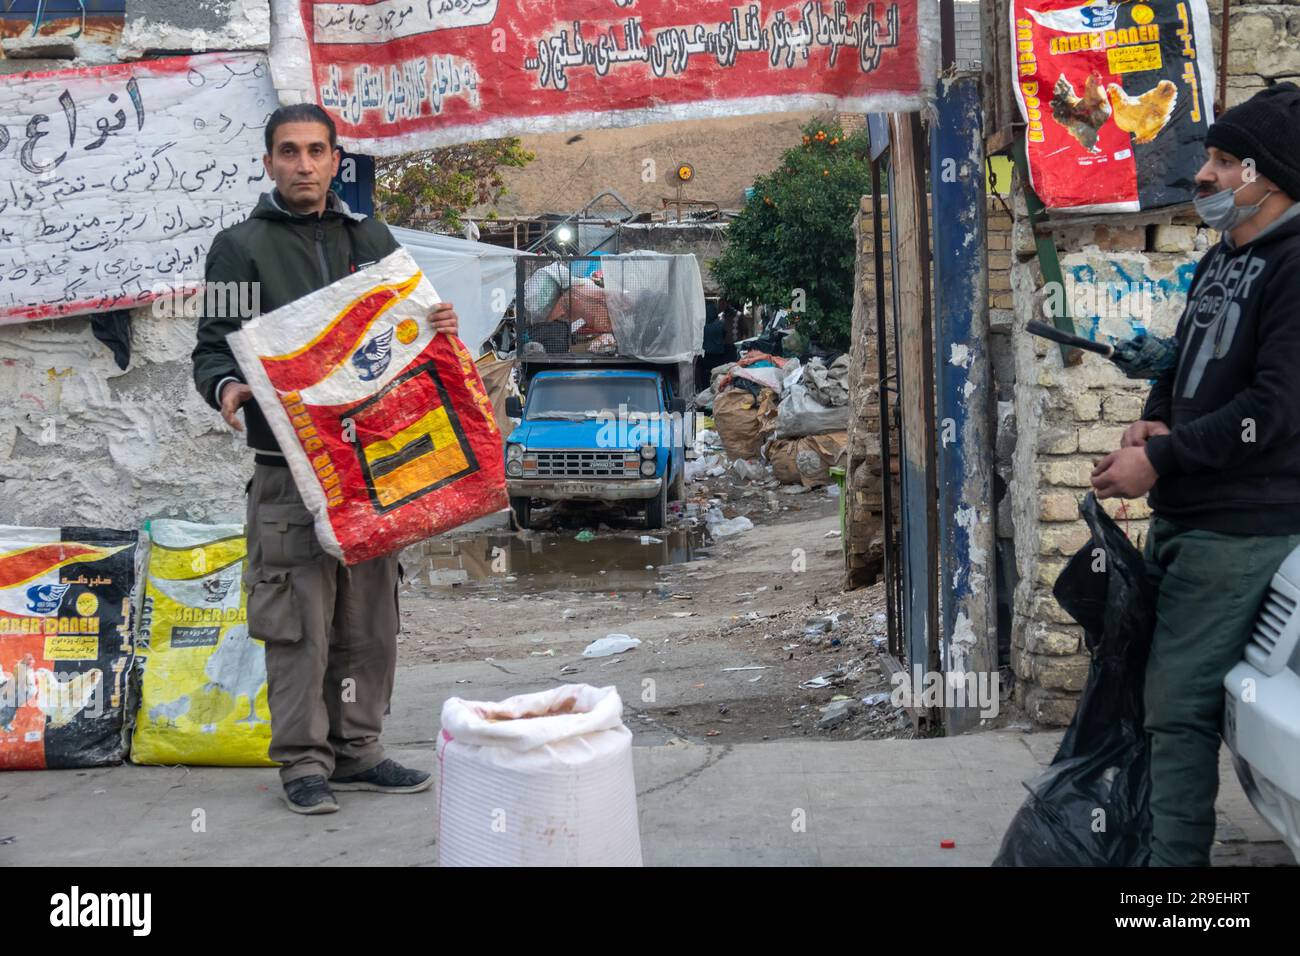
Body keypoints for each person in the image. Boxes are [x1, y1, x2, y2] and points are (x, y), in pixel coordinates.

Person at [191, 104, 460, 815]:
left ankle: (359, 751)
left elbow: (405, 328)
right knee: (299, 623)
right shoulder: (240, 248)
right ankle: (304, 764)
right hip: (287, 471)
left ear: (337, 159)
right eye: (289, 151)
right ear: (268, 162)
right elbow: (213, 347)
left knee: (369, 621)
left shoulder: (369, 237)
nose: (303, 164)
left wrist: (439, 325)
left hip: (375, 466)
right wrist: (228, 387)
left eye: (316, 151)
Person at [1091, 82, 1300, 865]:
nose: (1203, 176)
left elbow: (1275, 410)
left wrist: (1162, 458)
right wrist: (1155, 416)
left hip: (1240, 526)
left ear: (1269, 177)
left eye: (1222, 162)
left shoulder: (1293, 268)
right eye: (1207, 158)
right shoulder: (1226, 256)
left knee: (1176, 708)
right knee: (1162, 698)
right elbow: (1187, 364)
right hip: (1190, 514)